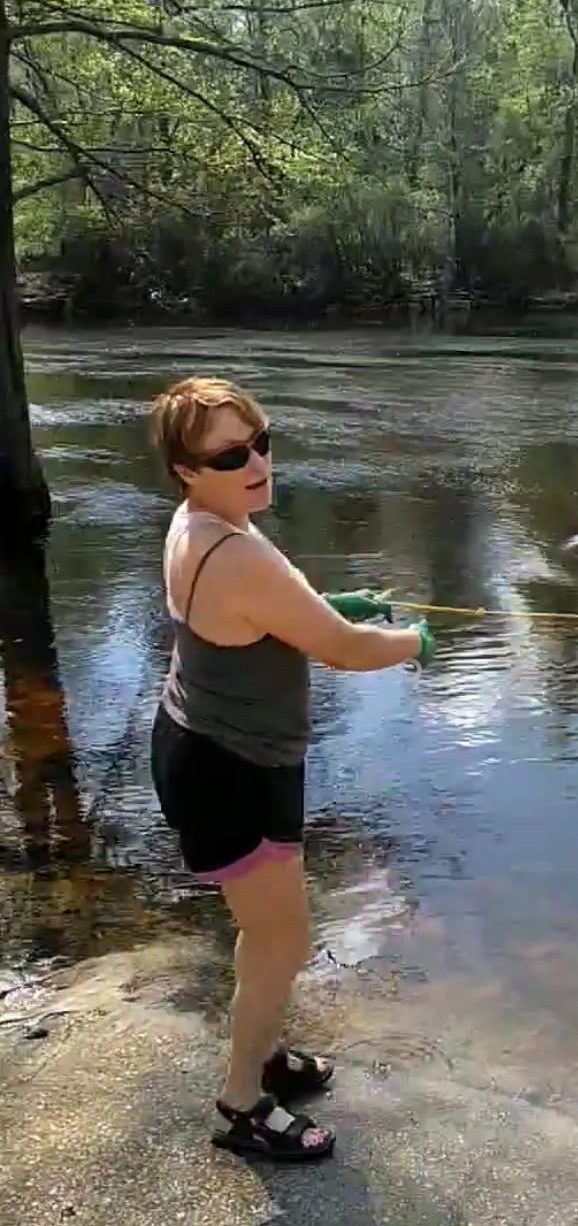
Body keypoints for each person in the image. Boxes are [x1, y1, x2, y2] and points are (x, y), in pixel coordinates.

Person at [148, 375, 435, 1163]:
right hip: (226, 767)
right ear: (185, 469)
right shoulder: (233, 547)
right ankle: (242, 1100)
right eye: (232, 453)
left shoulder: (204, 523)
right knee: (282, 935)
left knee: (267, 930)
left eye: (262, 440)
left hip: (228, 748)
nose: (256, 463)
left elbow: (271, 610)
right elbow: (342, 649)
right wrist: (413, 641)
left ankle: (265, 1044)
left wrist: (332, 598)